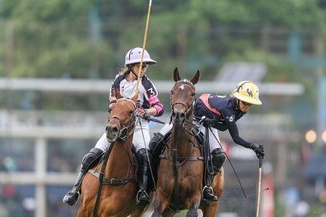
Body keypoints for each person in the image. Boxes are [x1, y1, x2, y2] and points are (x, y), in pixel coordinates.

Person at [63, 47, 164, 206]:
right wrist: (124, 108)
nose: (144, 69)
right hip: (118, 126)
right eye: (140, 66)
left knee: (145, 155)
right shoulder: (118, 82)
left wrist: (145, 111)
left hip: (138, 128)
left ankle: (143, 191)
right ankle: (75, 190)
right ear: (131, 66)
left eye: (145, 66)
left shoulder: (147, 84)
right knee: (92, 155)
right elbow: (111, 105)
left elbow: (158, 107)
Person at [150, 81, 264, 201]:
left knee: (219, 156)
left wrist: (213, 122)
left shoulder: (238, 109)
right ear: (237, 98)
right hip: (190, 118)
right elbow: (236, 138)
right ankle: (151, 180)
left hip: (207, 124)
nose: (246, 107)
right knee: (155, 141)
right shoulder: (229, 110)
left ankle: (206, 186)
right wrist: (253, 147)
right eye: (245, 102)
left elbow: (224, 127)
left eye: (250, 104)